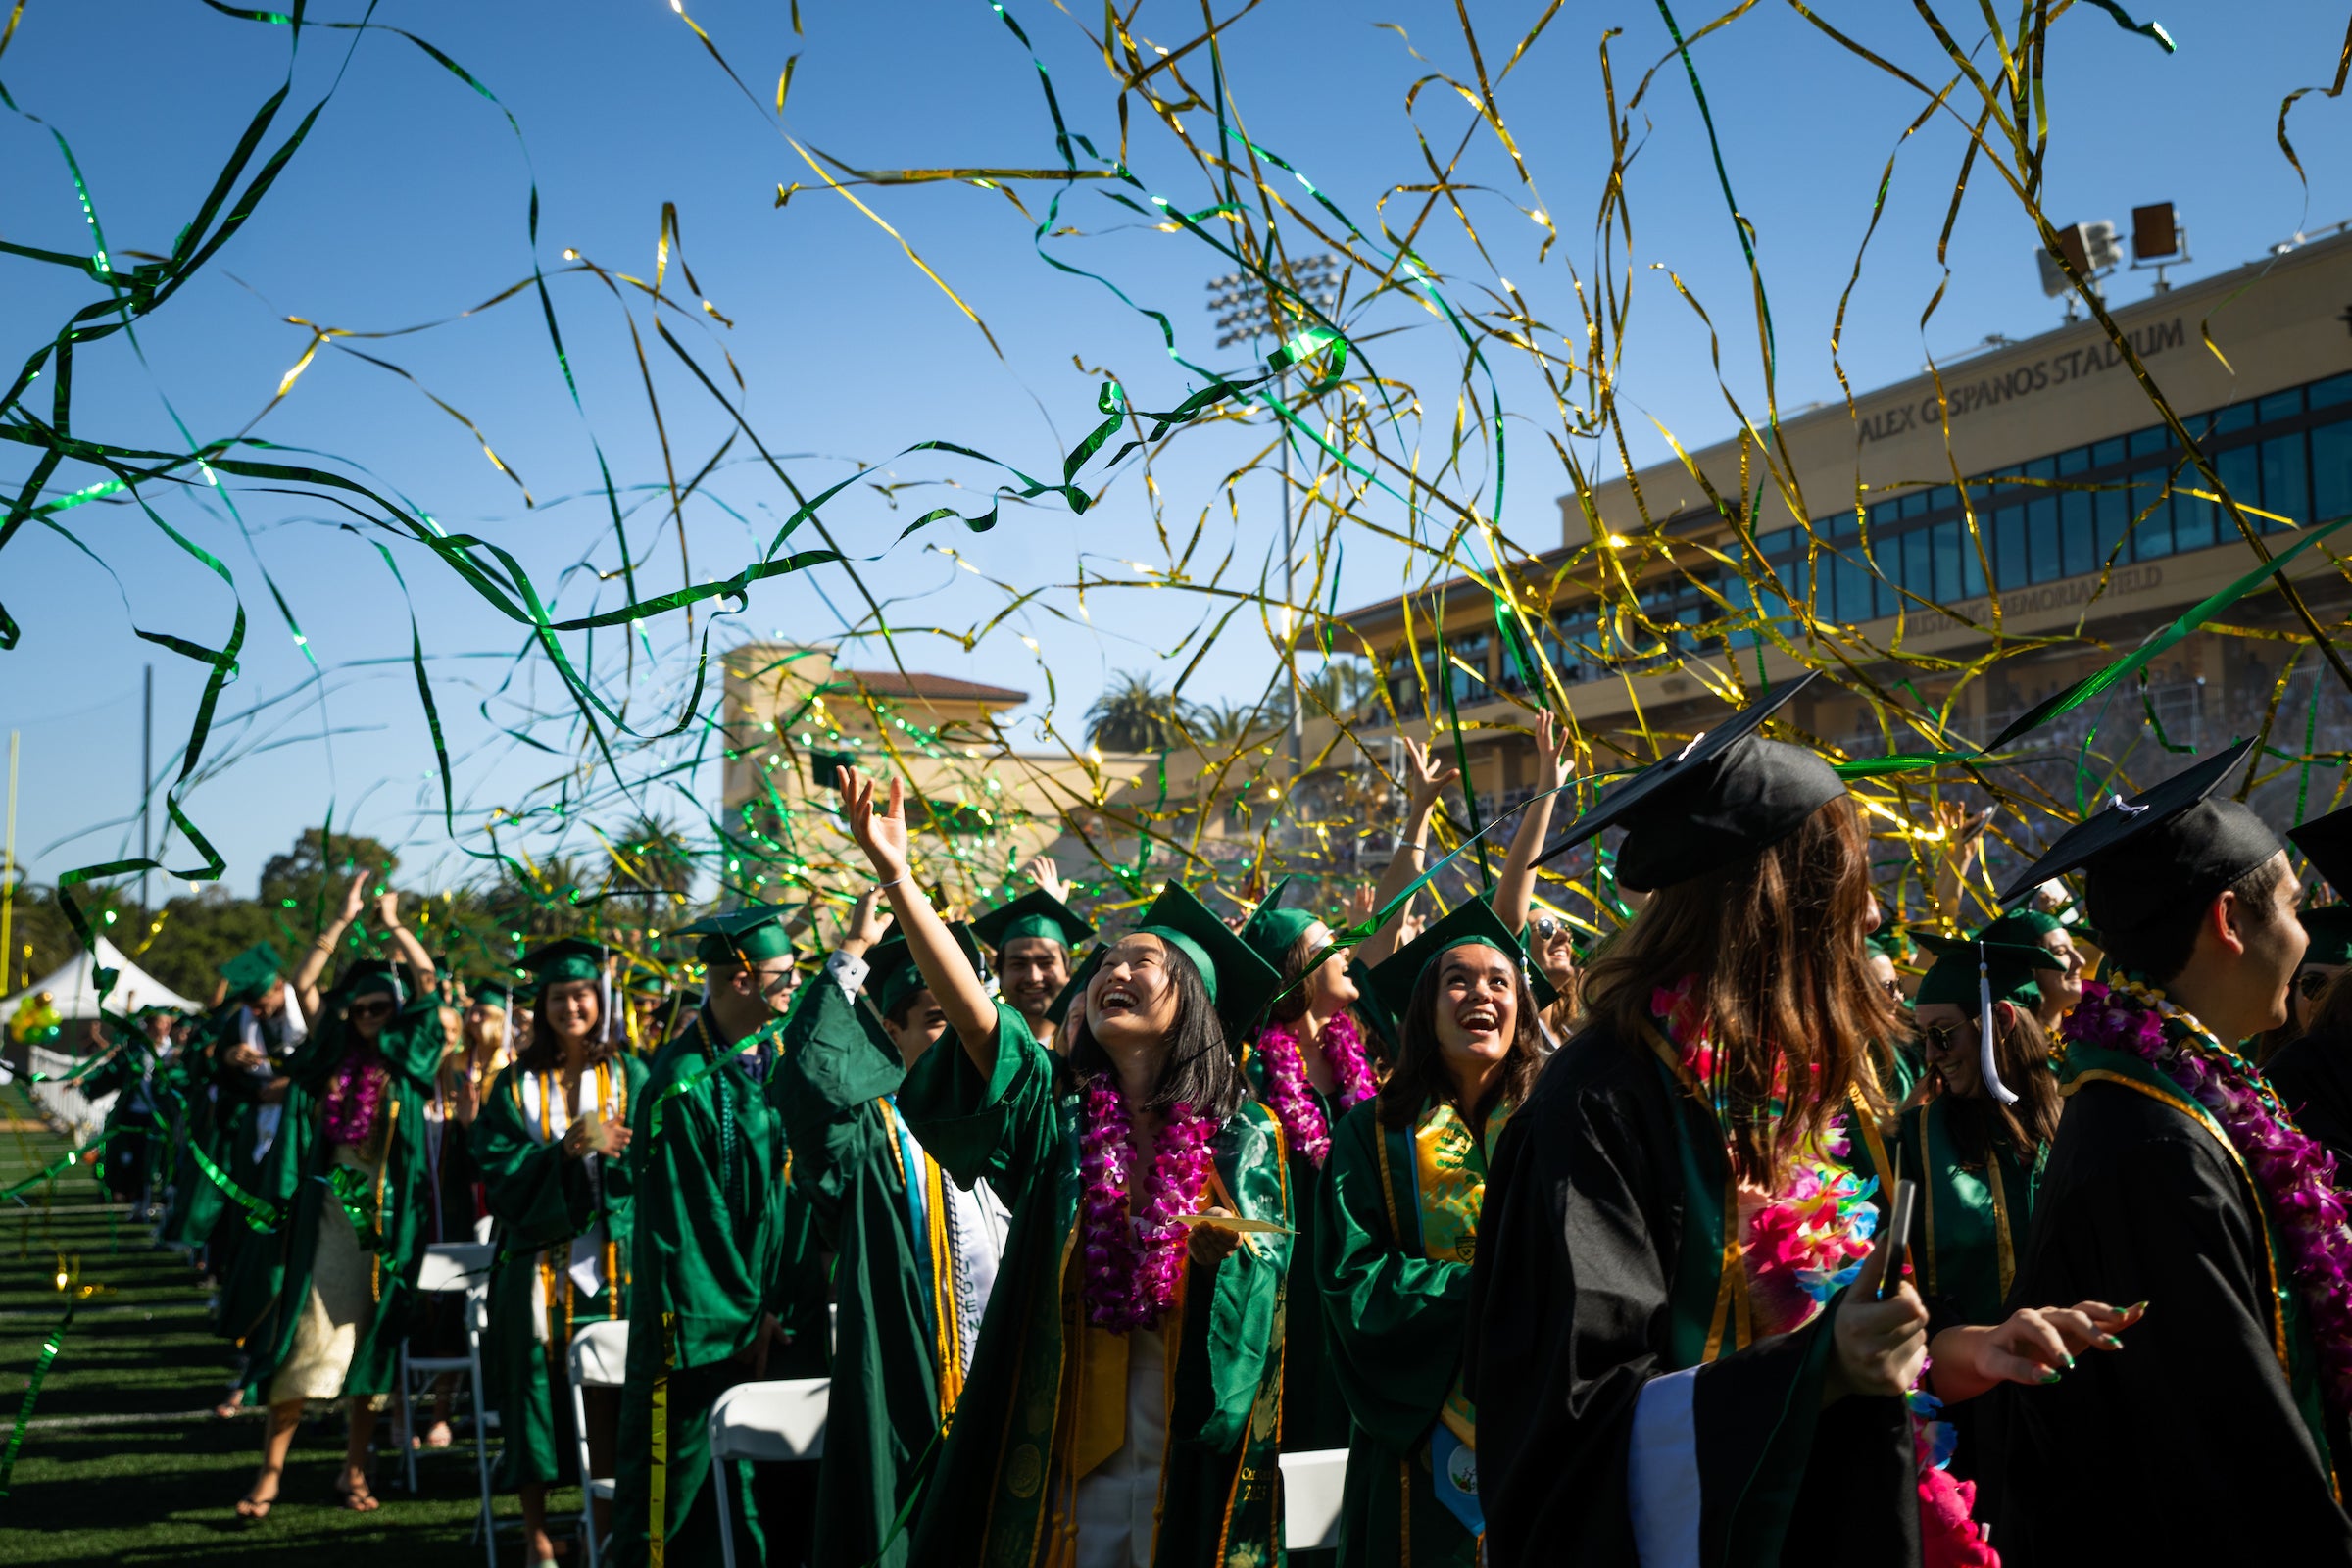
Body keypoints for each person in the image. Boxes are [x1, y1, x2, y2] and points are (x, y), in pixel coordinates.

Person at [1466, 674, 2096, 1566]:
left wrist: (1959, 1350)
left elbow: (1836, 1343)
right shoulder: (1594, 1111)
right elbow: (1570, 1440)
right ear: (1771, 908)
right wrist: (1816, 1371)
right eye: (1847, 885)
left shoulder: (1782, 1100)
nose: (1872, 914)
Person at [836, 765, 1292, 1568]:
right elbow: (979, 1023)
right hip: (1058, 1432)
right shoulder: (1063, 1117)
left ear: (1192, 1001)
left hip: (1178, 1436)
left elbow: (1265, 1288)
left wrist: (1224, 1261)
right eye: (1108, 962)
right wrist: (898, 877)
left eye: (1142, 962)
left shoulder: (1241, 1135)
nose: (1114, 971)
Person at [1984, 739, 2352, 1563]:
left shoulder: (2180, 1101)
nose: (2304, 936)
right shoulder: (2153, 1144)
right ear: (2229, 921)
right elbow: (2231, 1437)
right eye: (2292, 908)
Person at [773, 892, 1011, 1568]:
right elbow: (813, 1083)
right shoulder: (869, 1139)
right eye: (938, 1020)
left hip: (1009, 1377)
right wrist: (851, 955)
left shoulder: (1010, 1128)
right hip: (913, 1387)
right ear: (890, 1030)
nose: (962, 1034)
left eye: (969, 1018)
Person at [1317, 898, 1555, 1567]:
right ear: (1424, 1009)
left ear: (1523, 1008)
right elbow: (1352, 1281)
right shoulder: (1369, 1134)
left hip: (1545, 1421)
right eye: (1458, 979)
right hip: (1418, 1439)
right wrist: (1490, 1291)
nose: (1480, 992)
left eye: (1500, 981)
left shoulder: (1563, 1126)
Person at [608, 905, 830, 1568]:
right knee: (690, 1505)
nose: (794, 986)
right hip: (709, 1338)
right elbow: (688, 1225)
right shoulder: (682, 1083)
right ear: (742, 981)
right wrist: (744, 1320)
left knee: (786, 1494)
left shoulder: (776, 1061)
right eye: (785, 975)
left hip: (785, 1321)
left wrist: (781, 1308)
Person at [232, 884, 441, 1522]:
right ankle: (269, 1474)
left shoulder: (409, 1061)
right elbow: (301, 986)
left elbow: (430, 986)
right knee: (304, 1340)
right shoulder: (331, 1056)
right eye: (361, 1008)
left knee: (367, 1348)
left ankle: (353, 1469)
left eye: (382, 1006)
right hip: (330, 1218)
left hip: (387, 1227)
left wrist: (394, 926)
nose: (371, 1015)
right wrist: (341, 925)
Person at [1895, 933, 2127, 1505]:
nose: (1930, 1056)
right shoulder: (1914, 1144)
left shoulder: (2087, 1116)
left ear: (1998, 1019)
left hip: (2091, 1403)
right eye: (1922, 1038)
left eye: (1942, 1034)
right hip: (1971, 1423)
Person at [474, 939, 647, 1566]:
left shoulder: (633, 1073)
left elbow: (656, 1160)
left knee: (610, 1389)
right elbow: (497, 1171)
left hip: (617, 1261)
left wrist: (622, 1160)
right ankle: (537, 1535)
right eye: (558, 996)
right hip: (534, 1264)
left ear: (600, 1001)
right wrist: (566, 1151)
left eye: (581, 995)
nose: (571, 1006)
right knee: (532, 1394)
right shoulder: (514, 1086)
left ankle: (602, 1526)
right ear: (540, 1005)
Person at [1235, 877, 1381, 1464]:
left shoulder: (1361, 1067)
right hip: (1291, 1304)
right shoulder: (1253, 1085)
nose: (1347, 952)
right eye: (1330, 944)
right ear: (1297, 970)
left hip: (1361, 1288)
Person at [973, 856, 1095, 1053]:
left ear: (1068, 971)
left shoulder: (1091, 1046)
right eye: (1018, 964)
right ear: (999, 972)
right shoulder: (983, 1049)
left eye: (1046, 963)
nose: (1033, 977)